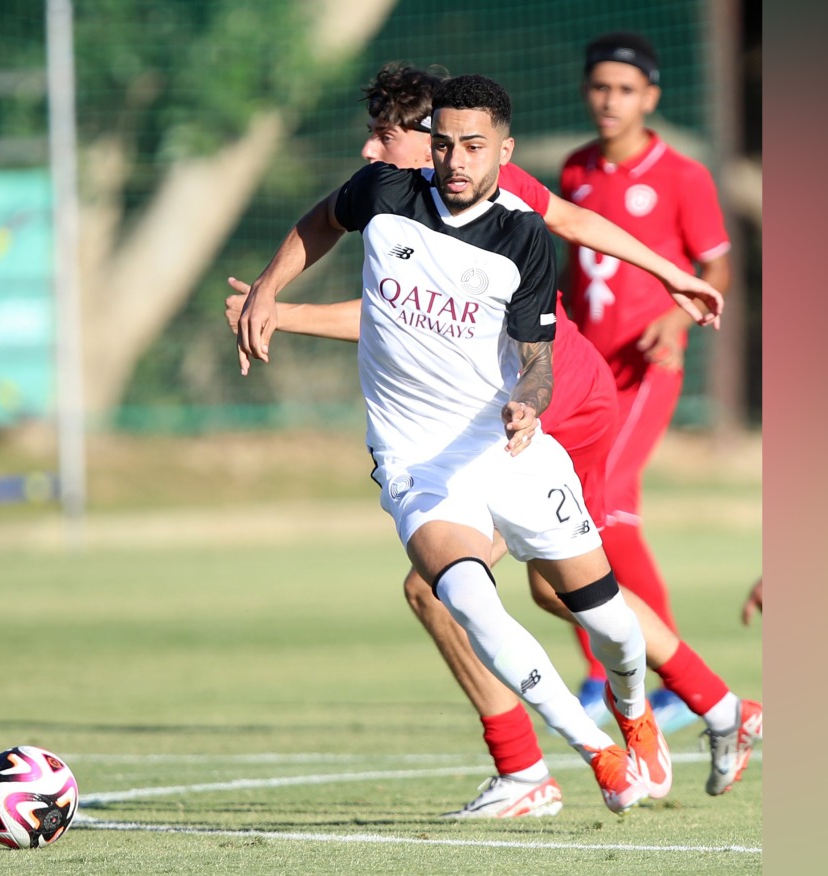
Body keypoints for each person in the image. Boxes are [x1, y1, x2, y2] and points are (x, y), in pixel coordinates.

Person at [226, 62, 760, 811]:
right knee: (523, 591)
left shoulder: (504, 207)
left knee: (473, 588)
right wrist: (270, 300)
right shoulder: (395, 200)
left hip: (556, 404)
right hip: (479, 420)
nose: (373, 153)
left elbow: (575, 227)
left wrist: (671, 275)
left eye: (385, 138)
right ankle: (711, 712)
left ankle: (542, 764)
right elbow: (392, 315)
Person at [559, 33, 736, 734]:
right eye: (600, 87)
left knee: (606, 503)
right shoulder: (574, 170)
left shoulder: (683, 176)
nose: (610, 100)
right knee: (564, 512)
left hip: (646, 370)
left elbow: (715, 269)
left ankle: (663, 675)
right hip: (585, 373)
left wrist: (676, 317)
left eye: (625, 89)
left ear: (651, 99)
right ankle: (601, 671)